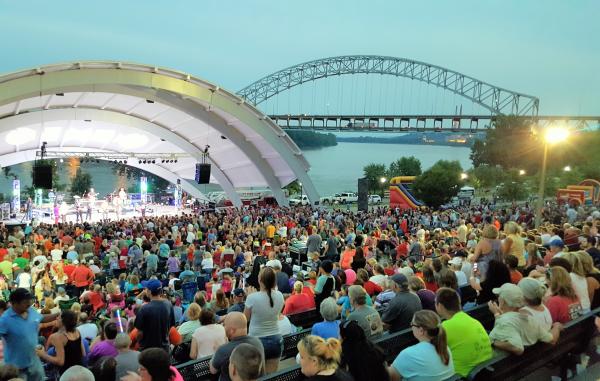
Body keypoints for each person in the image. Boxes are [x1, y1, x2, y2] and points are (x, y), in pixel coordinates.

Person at [487, 283, 561, 355]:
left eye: (498, 296)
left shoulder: (505, 321)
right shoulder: (530, 320)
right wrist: (556, 327)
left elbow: (518, 348)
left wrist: (492, 341)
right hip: (529, 363)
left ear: (502, 301)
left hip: (502, 365)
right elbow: (551, 339)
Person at [435, 287, 492, 377]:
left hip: (463, 376)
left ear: (440, 306)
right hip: (485, 371)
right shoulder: (472, 320)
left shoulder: (444, 327)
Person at [388, 310, 454, 381]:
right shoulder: (445, 348)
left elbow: (391, 378)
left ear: (421, 331)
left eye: (412, 324)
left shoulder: (408, 354)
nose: (411, 327)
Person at [0, 288, 51, 381]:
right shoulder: (5, 319)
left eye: (30, 300)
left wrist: (58, 314)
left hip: (34, 363)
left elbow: (41, 318)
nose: (29, 303)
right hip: (17, 369)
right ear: (15, 303)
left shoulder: (31, 311)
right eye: (25, 301)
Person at [244, 266, 285, 374]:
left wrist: (249, 297)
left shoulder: (252, 298)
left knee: (256, 374)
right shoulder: (280, 296)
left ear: (260, 280)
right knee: (271, 375)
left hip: (256, 339)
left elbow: (245, 319)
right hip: (276, 339)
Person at [210, 312, 265, 381]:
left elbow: (213, 370)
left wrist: (216, 351)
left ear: (232, 331)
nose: (223, 327)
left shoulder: (223, 350)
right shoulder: (257, 341)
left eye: (224, 325)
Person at [36, 309, 85, 375]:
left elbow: (60, 361)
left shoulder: (56, 337)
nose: (56, 318)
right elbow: (83, 353)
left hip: (66, 374)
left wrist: (42, 354)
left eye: (58, 317)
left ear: (63, 321)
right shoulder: (77, 332)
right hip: (79, 370)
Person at [134, 279, 176, 351]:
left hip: (148, 350)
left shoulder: (143, 309)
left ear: (149, 291)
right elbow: (171, 327)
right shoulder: (168, 304)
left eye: (146, 289)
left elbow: (139, 333)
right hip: (164, 349)